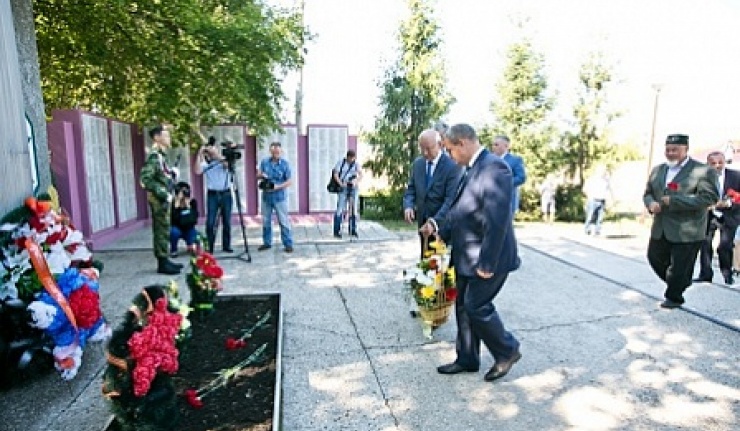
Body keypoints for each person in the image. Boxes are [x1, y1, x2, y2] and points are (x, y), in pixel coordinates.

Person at [420, 123, 522, 383]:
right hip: (467, 255)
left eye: (450, 150)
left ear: (463, 144)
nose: (449, 155)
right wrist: (441, 231)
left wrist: (487, 262)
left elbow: (497, 220)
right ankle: (467, 358)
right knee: (464, 307)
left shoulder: (495, 168)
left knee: (477, 306)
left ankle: (507, 350)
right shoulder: (471, 168)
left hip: (488, 258)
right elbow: (461, 210)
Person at [644, 134, 719, 309]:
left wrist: (676, 201)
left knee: (680, 266)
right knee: (654, 257)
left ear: (686, 149)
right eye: (668, 150)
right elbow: (648, 193)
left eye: (675, 150)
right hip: (661, 227)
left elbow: (709, 198)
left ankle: (674, 297)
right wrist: (650, 203)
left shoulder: (702, 171)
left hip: (688, 229)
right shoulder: (658, 170)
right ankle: (680, 281)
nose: (670, 153)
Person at [403, 129, 462, 257]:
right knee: (425, 262)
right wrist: (408, 206)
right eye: (422, 148)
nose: (425, 153)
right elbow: (411, 189)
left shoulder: (452, 167)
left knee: (440, 264)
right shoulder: (418, 164)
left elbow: (450, 200)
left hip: (442, 227)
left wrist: (434, 222)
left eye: (428, 148)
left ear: (440, 145)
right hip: (423, 226)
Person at [139, 125, 182, 274]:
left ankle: (165, 259)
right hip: (159, 200)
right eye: (166, 135)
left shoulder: (161, 156)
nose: (169, 138)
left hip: (163, 199)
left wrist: (172, 174)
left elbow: (161, 175)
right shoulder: (154, 156)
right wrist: (163, 193)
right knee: (160, 230)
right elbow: (145, 179)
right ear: (157, 137)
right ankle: (162, 263)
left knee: (164, 229)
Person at [694, 151, 740, 285]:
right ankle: (705, 274)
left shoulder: (736, 176)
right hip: (709, 214)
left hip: (729, 215)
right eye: (713, 163)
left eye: (720, 163)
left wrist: (729, 203)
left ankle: (727, 274)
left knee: (725, 246)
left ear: (724, 162)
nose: (717, 166)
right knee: (705, 243)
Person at [195, 136, 233, 254]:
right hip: (212, 195)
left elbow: (227, 165)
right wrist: (200, 153)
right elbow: (197, 171)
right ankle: (209, 247)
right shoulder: (206, 164)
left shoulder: (222, 160)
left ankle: (226, 245)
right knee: (210, 222)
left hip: (226, 193)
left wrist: (216, 154)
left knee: (227, 221)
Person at [257, 142, 294, 253]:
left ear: (281, 151)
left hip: (279, 197)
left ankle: (288, 244)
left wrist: (278, 186)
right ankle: (267, 242)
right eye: (273, 152)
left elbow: (289, 181)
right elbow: (258, 175)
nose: (276, 153)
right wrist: (261, 175)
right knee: (266, 221)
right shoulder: (264, 162)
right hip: (266, 197)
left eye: (277, 151)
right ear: (270, 151)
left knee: (283, 221)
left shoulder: (285, 164)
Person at [332, 149, 363, 238]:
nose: (351, 160)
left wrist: (355, 181)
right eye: (350, 158)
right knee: (340, 208)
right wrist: (340, 183)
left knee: (353, 209)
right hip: (343, 188)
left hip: (353, 188)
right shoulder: (341, 163)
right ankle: (337, 230)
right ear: (347, 157)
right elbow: (335, 174)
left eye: (353, 158)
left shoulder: (356, 164)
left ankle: (353, 230)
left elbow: (361, 175)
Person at [491, 135, 526, 215]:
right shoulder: (489, 159)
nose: (493, 147)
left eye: (496, 144)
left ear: (506, 146)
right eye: (493, 144)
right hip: (490, 202)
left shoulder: (515, 160)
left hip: (507, 202)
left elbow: (521, 177)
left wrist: (505, 183)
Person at [169, 182, 199, 257]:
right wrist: (176, 206)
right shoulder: (173, 203)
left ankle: (190, 244)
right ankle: (173, 250)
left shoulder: (192, 202)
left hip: (189, 229)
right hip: (177, 228)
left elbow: (194, 220)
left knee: (195, 245)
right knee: (174, 232)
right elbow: (172, 220)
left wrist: (188, 208)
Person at [583, 169, 613, 235]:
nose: (603, 173)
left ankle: (597, 230)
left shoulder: (606, 181)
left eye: (604, 172)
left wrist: (610, 198)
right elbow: (585, 189)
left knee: (600, 217)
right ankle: (587, 229)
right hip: (593, 199)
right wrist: (589, 195)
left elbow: (609, 190)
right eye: (602, 172)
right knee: (590, 216)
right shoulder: (592, 179)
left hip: (602, 200)